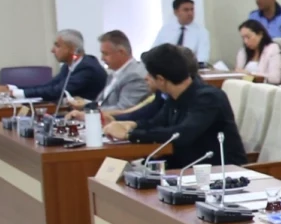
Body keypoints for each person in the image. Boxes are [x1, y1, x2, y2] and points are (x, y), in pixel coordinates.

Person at [102, 43, 244, 164]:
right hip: (184, 168)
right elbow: (156, 123)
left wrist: (129, 135)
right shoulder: (174, 97)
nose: (145, 78)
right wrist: (131, 125)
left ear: (161, 79)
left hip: (218, 172)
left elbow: (181, 134)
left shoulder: (209, 98)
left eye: (149, 74)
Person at [0, 29, 106, 102]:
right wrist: (8, 88)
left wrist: (12, 93)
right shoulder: (69, 65)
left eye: (57, 46)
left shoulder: (87, 67)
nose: (52, 50)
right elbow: (48, 86)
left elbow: (56, 91)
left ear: (72, 49)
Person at [77, 31, 149, 112]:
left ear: (121, 52)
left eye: (106, 54)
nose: (102, 58)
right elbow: (102, 103)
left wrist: (88, 110)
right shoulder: (113, 74)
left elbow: (123, 109)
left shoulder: (135, 76)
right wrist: (85, 105)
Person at [151, 0, 210, 65]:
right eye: (186, 10)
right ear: (176, 12)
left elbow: (202, 58)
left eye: (192, 9)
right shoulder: (165, 30)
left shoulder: (201, 32)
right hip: (166, 67)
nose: (190, 13)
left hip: (189, 68)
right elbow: (153, 52)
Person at [235, 19, 281, 84]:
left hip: (263, 87)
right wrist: (247, 76)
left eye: (248, 37)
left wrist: (250, 74)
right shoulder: (243, 52)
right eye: (243, 38)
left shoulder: (272, 49)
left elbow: (275, 79)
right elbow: (238, 75)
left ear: (260, 34)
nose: (245, 41)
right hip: (244, 86)